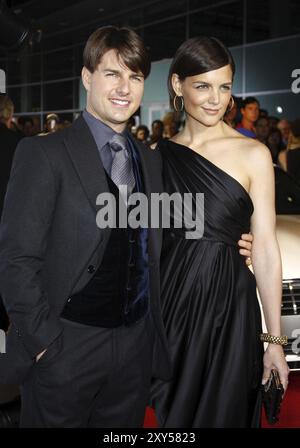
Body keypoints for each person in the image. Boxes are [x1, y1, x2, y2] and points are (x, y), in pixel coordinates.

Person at [0, 27, 253, 428]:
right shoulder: (44, 153)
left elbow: (165, 233)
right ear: (87, 78)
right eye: (112, 74)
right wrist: (44, 342)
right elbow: (17, 258)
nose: (125, 88)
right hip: (67, 346)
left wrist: (238, 243)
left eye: (134, 77)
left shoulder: (150, 160)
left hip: (134, 351)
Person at [151, 36, 289, 428]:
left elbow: (264, 249)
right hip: (172, 310)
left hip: (230, 310)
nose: (216, 99)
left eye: (224, 87)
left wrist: (274, 341)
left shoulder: (254, 154)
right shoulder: (159, 157)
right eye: (203, 86)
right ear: (178, 86)